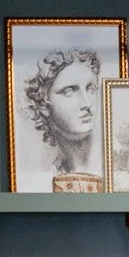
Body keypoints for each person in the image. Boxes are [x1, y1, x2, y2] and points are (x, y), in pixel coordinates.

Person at [25, 49, 103, 180]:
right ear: (43, 103)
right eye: (69, 92)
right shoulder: (49, 175)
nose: (87, 103)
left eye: (90, 89)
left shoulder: (114, 165)